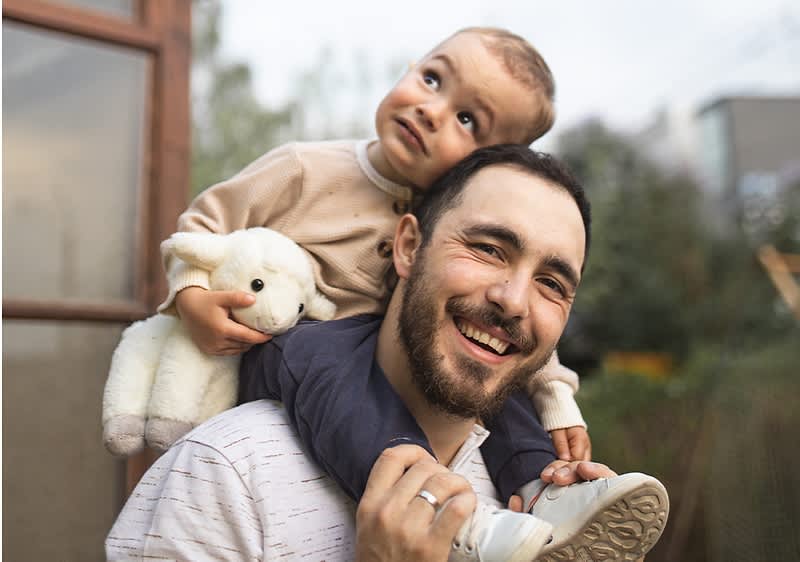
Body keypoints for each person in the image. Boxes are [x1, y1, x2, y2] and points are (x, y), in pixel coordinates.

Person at [107, 146, 669, 561]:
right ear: (407, 247)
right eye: (488, 249)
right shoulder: (224, 474)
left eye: (552, 283)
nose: (514, 301)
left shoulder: (540, 494)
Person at [144, 24, 590, 523]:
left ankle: (543, 490)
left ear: (486, 165)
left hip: (383, 359)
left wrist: (556, 401)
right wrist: (191, 294)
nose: (431, 109)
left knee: (490, 377)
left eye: (466, 119)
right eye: (432, 79)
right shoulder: (304, 169)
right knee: (327, 360)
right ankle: (421, 503)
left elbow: (521, 331)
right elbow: (206, 223)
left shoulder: (452, 221)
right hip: (291, 347)